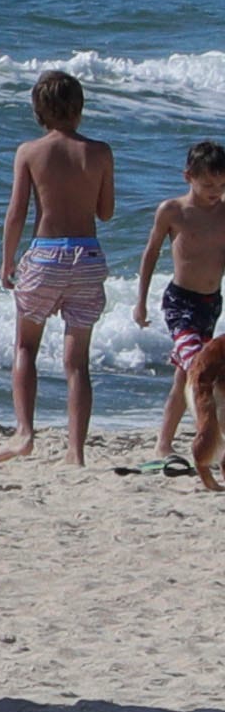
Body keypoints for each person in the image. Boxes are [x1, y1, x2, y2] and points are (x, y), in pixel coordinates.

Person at [2, 70, 117, 462]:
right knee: (77, 363)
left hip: (46, 254)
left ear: (38, 111)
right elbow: (106, 212)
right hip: (87, 257)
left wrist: (7, 262)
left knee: (25, 347)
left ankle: (24, 432)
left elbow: (17, 213)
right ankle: (75, 451)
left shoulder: (29, 152)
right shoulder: (100, 152)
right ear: (80, 109)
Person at [142, 140, 225, 489]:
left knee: (184, 378)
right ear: (188, 177)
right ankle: (204, 440)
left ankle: (164, 442)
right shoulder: (172, 210)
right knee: (195, 367)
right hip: (180, 303)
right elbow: (150, 254)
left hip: (211, 302)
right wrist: (140, 301)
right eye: (208, 186)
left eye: (222, 186)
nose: (214, 193)